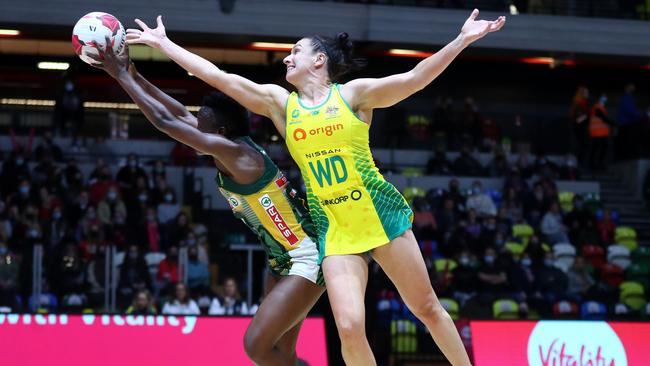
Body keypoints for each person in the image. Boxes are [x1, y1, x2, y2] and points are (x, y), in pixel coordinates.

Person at [126, 9, 505, 365]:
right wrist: (164, 45)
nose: (287, 58)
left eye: (295, 52)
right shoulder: (281, 105)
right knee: (350, 326)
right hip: (334, 226)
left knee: (427, 308)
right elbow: (219, 77)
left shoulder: (353, 95)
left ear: (319, 60)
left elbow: (414, 79)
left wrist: (460, 41)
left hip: (378, 212)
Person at [92, 42, 325, 366]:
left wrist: (120, 77)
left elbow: (164, 122)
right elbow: (174, 113)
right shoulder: (226, 145)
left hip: (306, 256)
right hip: (280, 259)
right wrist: (134, 73)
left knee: (256, 347)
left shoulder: (240, 156)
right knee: (282, 354)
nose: (193, 124)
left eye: (200, 121)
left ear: (220, 132)